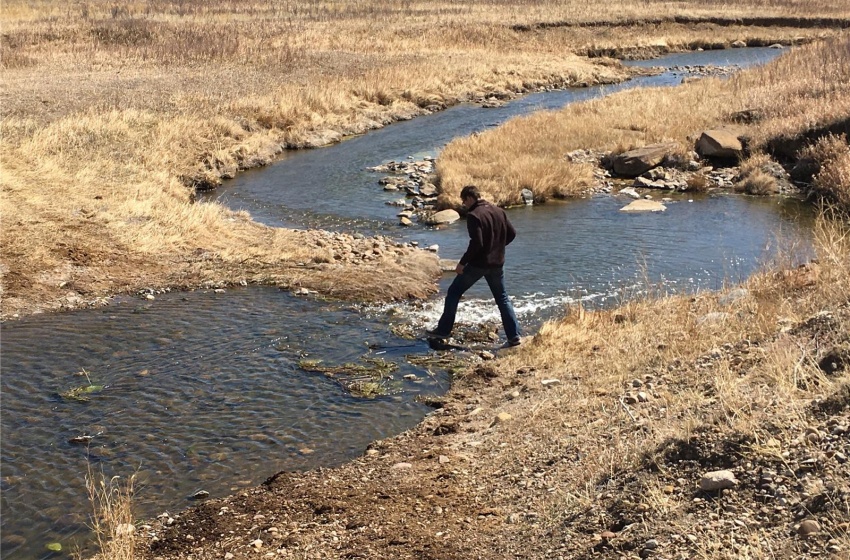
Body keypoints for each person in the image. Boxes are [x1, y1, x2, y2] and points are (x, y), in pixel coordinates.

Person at [427, 185, 522, 347]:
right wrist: (497, 248)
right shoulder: (498, 211)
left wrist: (462, 263)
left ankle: (443, 330)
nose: (464, 204)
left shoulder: (474, 215)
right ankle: (514, 336)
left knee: (453, 292)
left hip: (478, 264)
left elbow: (476, 243)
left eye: (464, 201)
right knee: (502, 298)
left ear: (470, 198)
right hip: (497, 263)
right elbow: (512, 233)